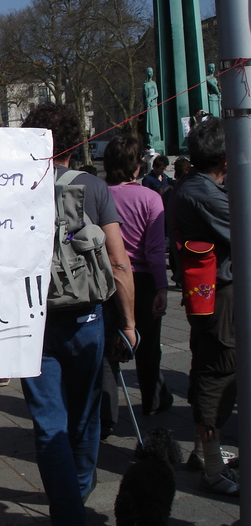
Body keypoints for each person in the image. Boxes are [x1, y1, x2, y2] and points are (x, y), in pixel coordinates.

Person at [20, 103, 136, 526]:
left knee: (50, 424)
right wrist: (127, 321)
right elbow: (120, 263)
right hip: (87, 319)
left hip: (36, 321)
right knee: (86, 413)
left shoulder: (18, 188)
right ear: (74, 142)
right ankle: (79, 495)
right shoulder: (95, 188)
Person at [168, 117, 238, 496]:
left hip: (210, 294)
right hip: (220, 294)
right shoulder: (206, 194)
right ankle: (212, 468)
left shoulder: (192, 186)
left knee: (209, 366)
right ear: (225, 158)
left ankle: (203, 452)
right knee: (219, 371)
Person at [101, 135, 172, 437]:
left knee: (107, 351)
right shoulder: (150, 198)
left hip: (107, 279)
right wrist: (162, 287)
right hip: (142, 278)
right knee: (148, 345)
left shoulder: (100, 195)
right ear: (136, 166)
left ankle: (107, 412)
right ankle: (153, 401)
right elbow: (156, 250)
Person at [143, 67, 160, 147]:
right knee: (148, 122)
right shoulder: (145, 84)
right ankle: (149, 138)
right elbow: (143, 95)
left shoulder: (153, 83)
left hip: (153, 105)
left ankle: (153, 138)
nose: (151, 74)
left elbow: (156, 94)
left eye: (152, 72)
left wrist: (150, 98)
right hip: (147, 105)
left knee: (152, 122)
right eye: (149, 72)